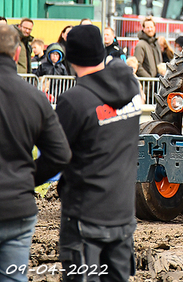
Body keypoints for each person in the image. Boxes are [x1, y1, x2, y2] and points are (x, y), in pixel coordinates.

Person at [54, 24, 142, 280]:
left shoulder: (74, 100)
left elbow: (56, 154)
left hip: (85, 217)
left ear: (69, 57)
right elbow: (118, 68)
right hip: (123, 214)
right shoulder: (132, 89)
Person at [0, 24, 71, 281]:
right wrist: (27, 178)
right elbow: (61, 154)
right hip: (18, 205)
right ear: (17, 54)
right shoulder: (34, 97)